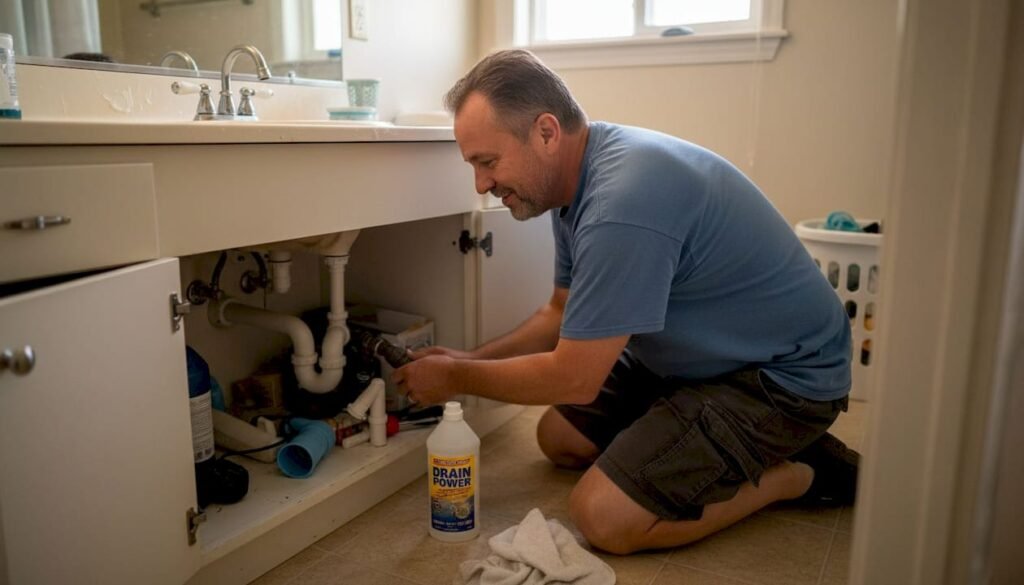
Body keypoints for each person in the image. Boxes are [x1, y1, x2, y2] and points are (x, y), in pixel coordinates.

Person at [393, 49, 859, 554]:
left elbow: (575, 377)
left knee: (606, 518)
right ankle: (700, 438)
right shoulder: (573, 184)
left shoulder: (621, 203)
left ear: (546, 132)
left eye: (488, 162)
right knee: (560, 438)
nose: (482, 184)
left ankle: (800, 473)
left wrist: (457, 378)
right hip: (698, 361)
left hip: (781, 380)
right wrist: (469, 359)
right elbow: (559, 312)